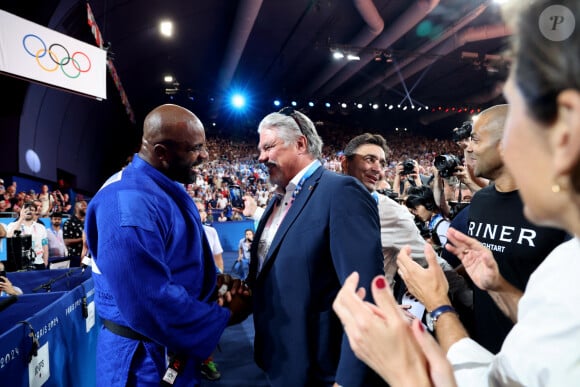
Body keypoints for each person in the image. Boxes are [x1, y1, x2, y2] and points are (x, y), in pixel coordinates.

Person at [333, 0, 580, 385]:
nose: (466, 147)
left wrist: (434, 316)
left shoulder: (567, 244)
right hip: (484, 346)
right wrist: (495, 285)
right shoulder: (496, 210)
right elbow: (537, 328)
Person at [85, 104, 248, 386]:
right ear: (162, 153)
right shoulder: (128, 203)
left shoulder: (155, 186)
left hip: (163, 352)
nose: (205, 156)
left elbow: (172, 262)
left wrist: (209, 286)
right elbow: (147, 300)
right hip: (142, 363)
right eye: (195, 148)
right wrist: (222, 315)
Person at [245, 107, 385, 386]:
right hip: (280, 360)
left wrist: (348, 379)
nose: (261, 157)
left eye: (269, 147)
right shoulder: (275, 202)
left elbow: (365, 294)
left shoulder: (341, 192)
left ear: (300, 144)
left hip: (323, 371)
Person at [5, 201, 49, 269]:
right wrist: (21, 218)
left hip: (38, 263)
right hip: (19, 264)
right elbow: (9, 236)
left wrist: (45, 262)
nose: (29, 211)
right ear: (21, 211)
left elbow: (45, 245)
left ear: (35, 212)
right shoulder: (12, 225)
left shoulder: (41, 227)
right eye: (26, 209)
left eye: (32, 210)